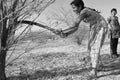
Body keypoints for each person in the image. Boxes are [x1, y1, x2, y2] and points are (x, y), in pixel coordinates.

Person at [56, 0, 108, 78]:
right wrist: (66, 34)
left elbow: (74, 24)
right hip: (94, 27)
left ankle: (94, 71)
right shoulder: (82, 13)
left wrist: (62, 29)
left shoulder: (84, 11)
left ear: (80, 6)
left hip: (100, 26)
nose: (73, 10)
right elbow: (75, 28)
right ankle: (99, 65)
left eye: (74, 8)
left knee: (94, 47)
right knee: (91, 47)